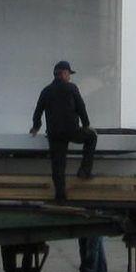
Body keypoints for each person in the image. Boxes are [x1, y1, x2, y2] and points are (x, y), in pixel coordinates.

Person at [30, 59, 97, 202]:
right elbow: (81, 108)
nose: (70, 77)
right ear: (64, 73)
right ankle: (84, 171)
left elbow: (38, 112)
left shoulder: (46, 91)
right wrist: (86, 125)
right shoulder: (71, 88)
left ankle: (60, 198)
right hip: (71, 130)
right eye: (69, 74)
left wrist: (36, 127)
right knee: (91, 137)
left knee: (58, 165)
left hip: (54, 133)